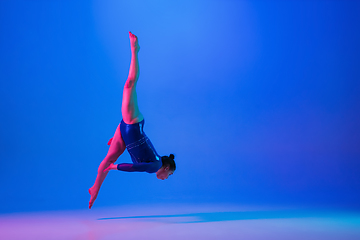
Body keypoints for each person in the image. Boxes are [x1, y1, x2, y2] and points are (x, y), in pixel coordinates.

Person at [88, 31, 176, 209]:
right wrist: (116, 167)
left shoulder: (157, 160)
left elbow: (141, 147)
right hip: (133, 123)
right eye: (170, 174)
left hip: (126, 132)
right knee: (129, 84)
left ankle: (94, 189)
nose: (166, 178)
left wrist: (121, 140)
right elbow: (136, 167)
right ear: (167, 169)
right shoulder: (156, 165)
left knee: (105, 161)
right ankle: (135, 50)